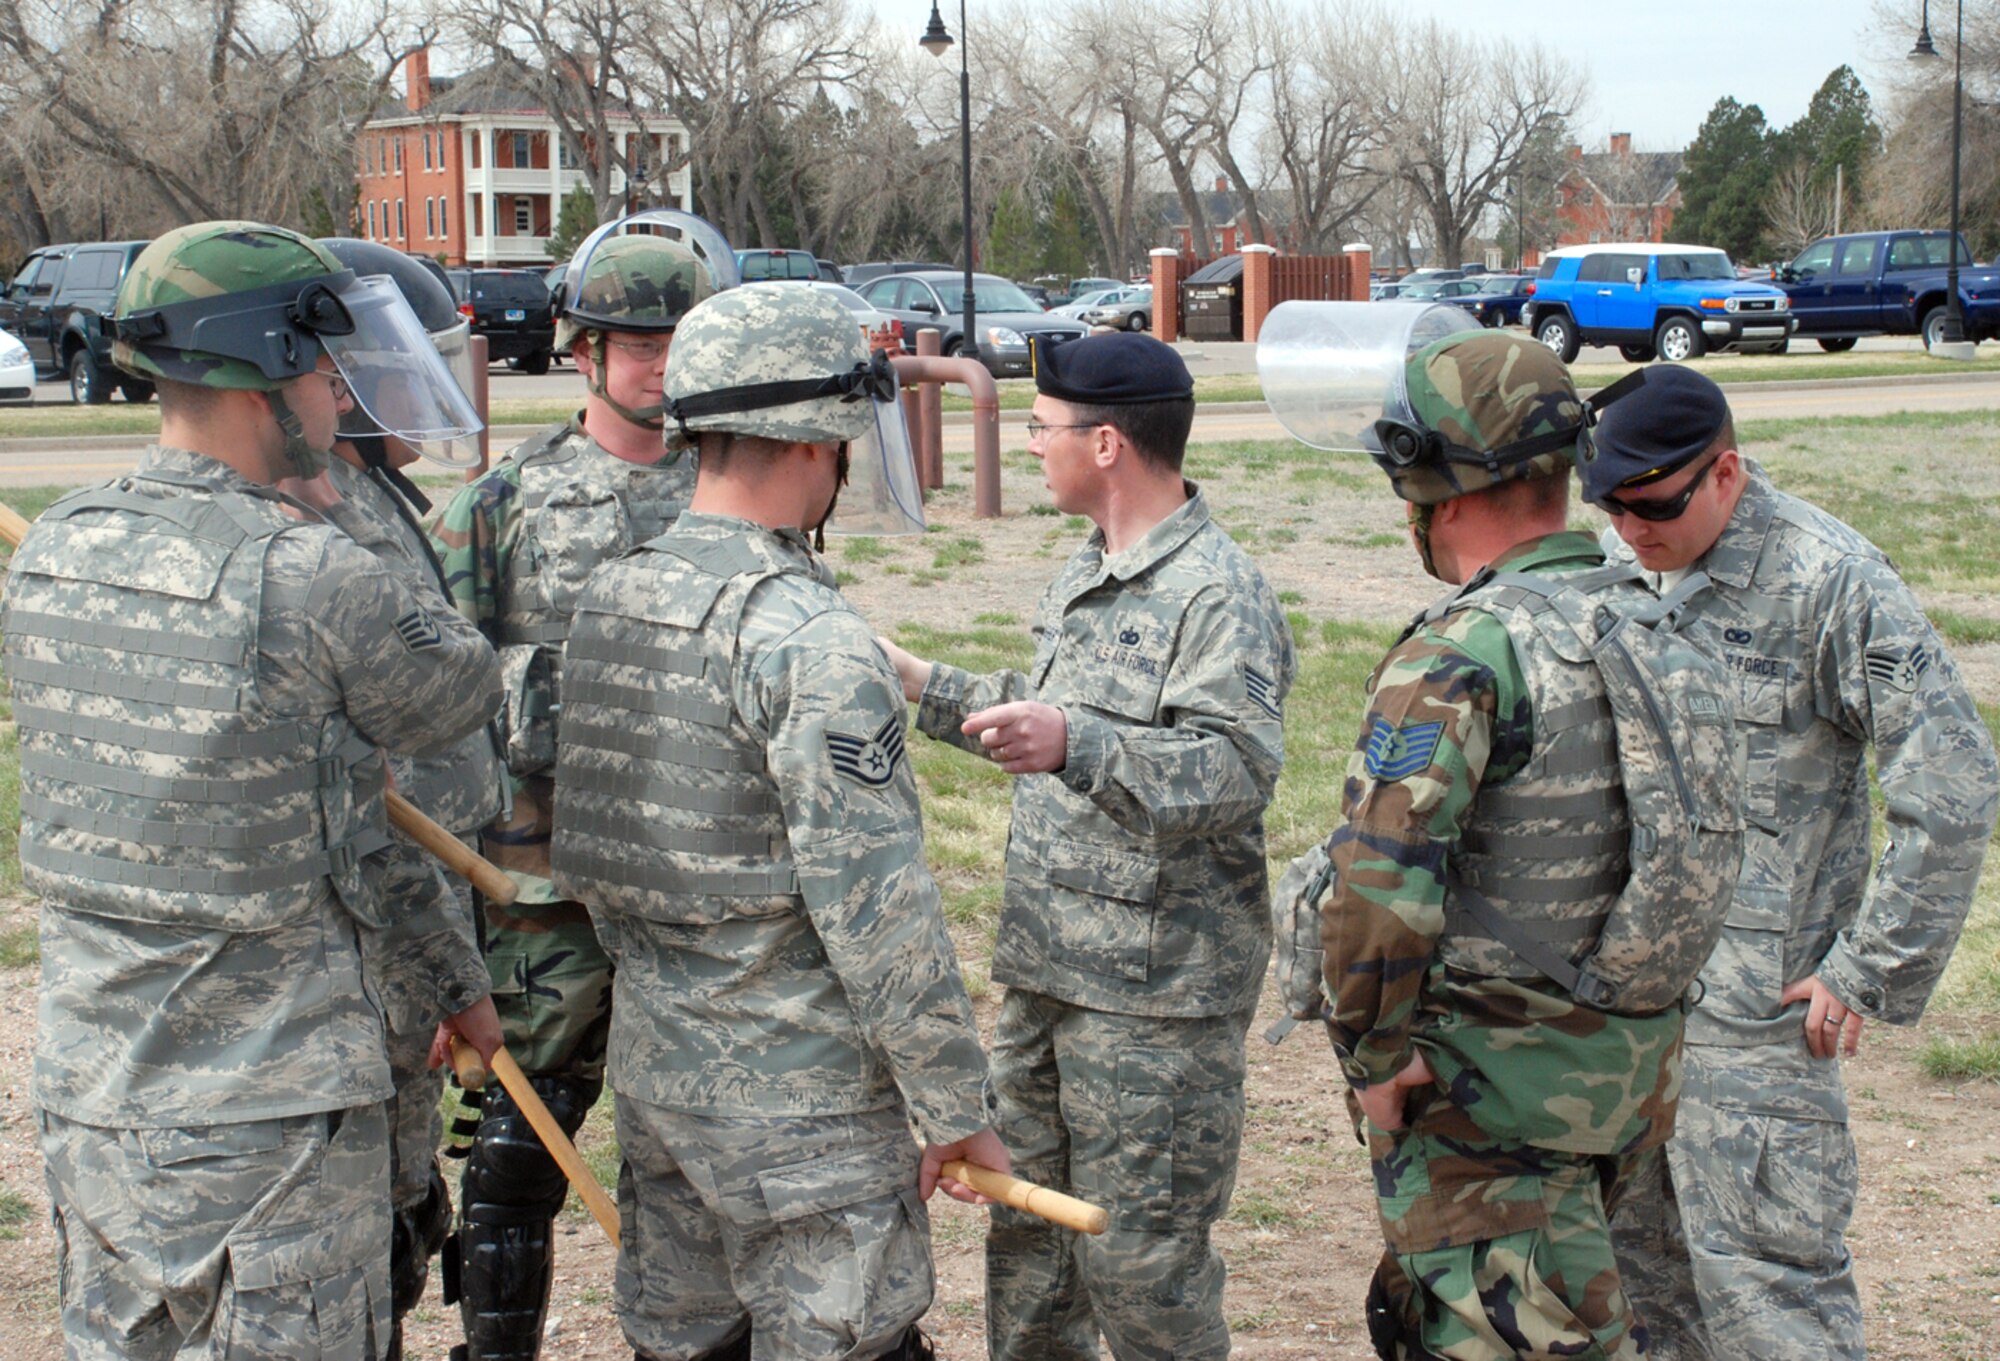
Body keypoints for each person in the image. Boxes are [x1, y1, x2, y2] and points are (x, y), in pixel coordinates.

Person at [6, 220, 503, 1360]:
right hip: (272, 1125)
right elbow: (456, 689)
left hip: (99, 1093)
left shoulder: (56, 547)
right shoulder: (311, 569)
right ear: (270, 368)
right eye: (329, 371)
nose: (342, 399)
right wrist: (340, 537)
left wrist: (451, 980)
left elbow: (343, 806)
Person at [549, 282, 1007, 1360]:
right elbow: (879, 913)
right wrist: (953, 1108)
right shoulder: (806, 636)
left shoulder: (614, 596)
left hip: (663, 1077)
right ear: (818, 441)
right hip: (803, 1108)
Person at [1291, 326, 1739, 1361]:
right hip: (1619, 1083)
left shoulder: (1464, 649)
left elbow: (1376, 881)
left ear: (1434, 486)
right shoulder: (1656, 617)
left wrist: (1373, 1054)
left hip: (1482, 1103)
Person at [879, 330, 1294, 1360]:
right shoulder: (1082, 572)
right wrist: (921, 681)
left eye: (1039, 428)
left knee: (1142, 1269)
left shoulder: (1215, 591)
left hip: (1152, 1005)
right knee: (1029, 1250)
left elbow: (1236, 770)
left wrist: (1081, 742)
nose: (1028, 444)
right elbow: (1043, 722)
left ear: (1104, 442)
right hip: (1046, 976)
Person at [1583, 364, 2000, 1361]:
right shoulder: (1613, 568)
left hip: (1755, 1032)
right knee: (1638, 1305)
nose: (1628, 525)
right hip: (1618, 1019)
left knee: (1773, 1309)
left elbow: (1952, 781)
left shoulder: (1827, 579)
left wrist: (1869, 966)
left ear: (1723, 471)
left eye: (1651, 503)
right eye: (1606, 502)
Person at [426, 212, 735, 1361]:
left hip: (697, 893)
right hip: (543, 898)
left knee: (702, 1155)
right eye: (637, 342)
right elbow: (434, 716)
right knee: (516, 1162)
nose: (662, 365)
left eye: (680, 342)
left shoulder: (739, 491)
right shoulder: (498, 506)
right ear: (583, 350)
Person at [310, 236, 510, 1360]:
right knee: (373, 1209)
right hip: (374, 917)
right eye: (387, 361)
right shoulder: (311, 515)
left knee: (404, 1183)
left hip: (427, 889)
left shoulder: (370, 486)